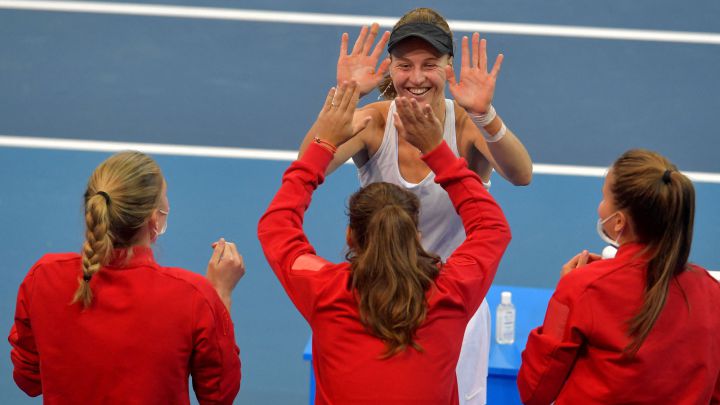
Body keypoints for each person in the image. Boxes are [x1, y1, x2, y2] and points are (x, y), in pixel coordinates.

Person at [298, 8, 532, 404]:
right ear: (389, 68)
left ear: (448, 66)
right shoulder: (373, 122)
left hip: (452, 305)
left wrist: (484, 112)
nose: (417, 77)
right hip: (379, 299)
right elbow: (308, 162)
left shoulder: (466, 125)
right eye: (405, 65)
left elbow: (521, 173)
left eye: (430, 64)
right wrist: (346, 97)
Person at [260, 80, 511, 404]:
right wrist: (438, 152)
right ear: (416, 238)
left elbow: (276, 226)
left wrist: (321, 148)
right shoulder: (453, 292)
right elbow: (491, 228)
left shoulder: (324, 291)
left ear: (351, 236)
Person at [8, 151, 244, 404]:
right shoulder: (193, 296)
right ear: (154, 219)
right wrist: (220, 294)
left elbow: (29, 380)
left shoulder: (43, 277)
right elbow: (219, 395)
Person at [517, 149, 720, 404]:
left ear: (619, 222)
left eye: (603, 197)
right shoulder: (713, 294)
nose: (600, 207)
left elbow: (535, 392)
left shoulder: (582, 287)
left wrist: (566, 297)